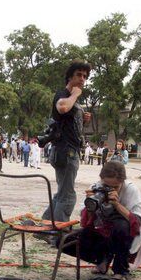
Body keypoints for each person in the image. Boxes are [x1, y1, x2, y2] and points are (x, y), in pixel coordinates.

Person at [78, 161, 141, 278]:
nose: (110, 189)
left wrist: (117, 204)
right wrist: (90, 206)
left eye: (115, 187)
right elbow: (87, 221)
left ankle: (120, 269)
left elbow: (136, 223)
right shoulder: (96, 188)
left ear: (122, 182)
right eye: (106, 185)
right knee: (86, 234)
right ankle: (102, 261)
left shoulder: (130, 190)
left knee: (120, 227)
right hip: (103, 225)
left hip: (126, 229)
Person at [41, 60, 92, 224]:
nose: (82, 79)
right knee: (68, 196)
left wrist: (84, 119)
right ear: (70, 76)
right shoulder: (63, 94)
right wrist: (75, 94)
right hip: (66, 152)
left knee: (62, 193)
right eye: (79, 75)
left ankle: (46, 226)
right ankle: (59, 233)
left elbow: (70, 124)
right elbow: (62, 107)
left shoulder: (72, 101)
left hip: (69, 150)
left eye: (85, 76)